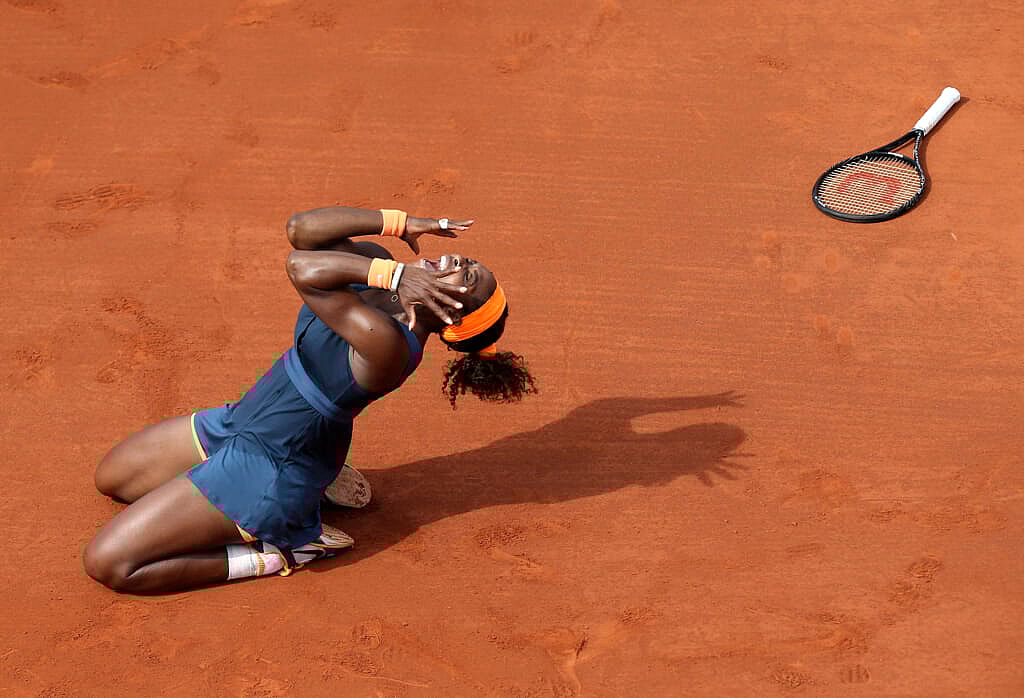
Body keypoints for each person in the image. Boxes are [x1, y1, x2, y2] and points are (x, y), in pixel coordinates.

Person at [83, 205, 537, 594]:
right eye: (469, 259)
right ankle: (322, 478)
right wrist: (399, 224)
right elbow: (301, 230)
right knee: (113, 479)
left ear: (451, 308)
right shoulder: (379, 276)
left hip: (268, 470)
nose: (458, 257)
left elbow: (302, 269)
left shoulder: (389, 347)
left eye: (467, 273)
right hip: (244, 423)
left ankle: (281, 551)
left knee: (109, 563)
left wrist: (398, 274)